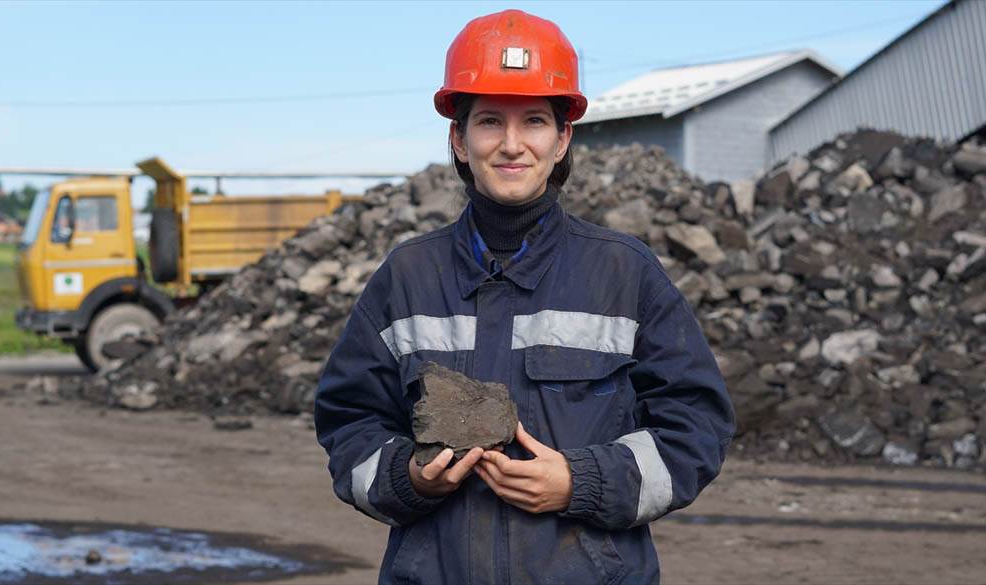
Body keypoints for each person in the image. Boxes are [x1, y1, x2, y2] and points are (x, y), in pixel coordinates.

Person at [315, 9, 735, 585]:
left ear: (562, 139)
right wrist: (407, 477)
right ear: (459, 139)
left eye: (534, 121)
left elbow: (696, 428)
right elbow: (348, 421)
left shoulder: (623, 272)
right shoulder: (407, 275)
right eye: (489, 121)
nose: (512, 145)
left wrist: (580, 482)